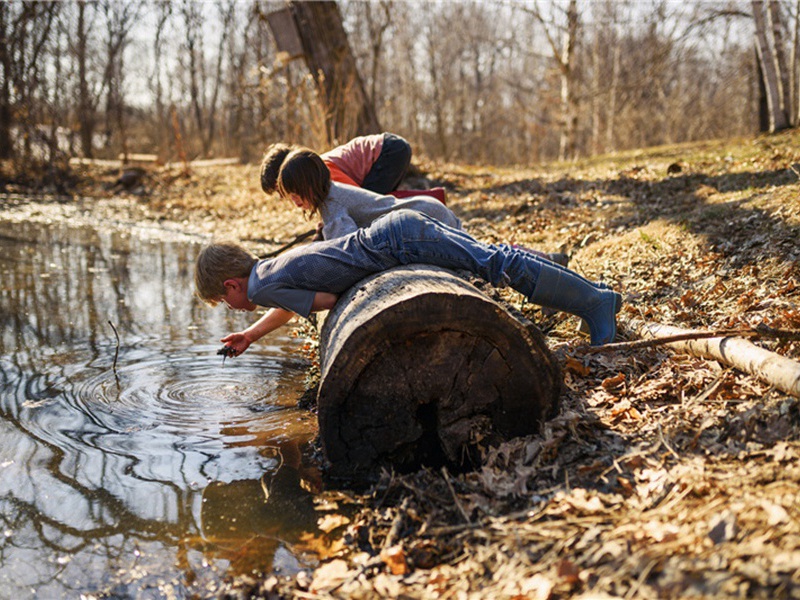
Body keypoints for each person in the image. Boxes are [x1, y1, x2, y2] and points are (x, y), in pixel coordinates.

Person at [194, 209, 622, 355]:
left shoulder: (261, 287)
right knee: (492, 258)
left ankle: (595, 303)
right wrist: (250, 335)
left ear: (232, 285)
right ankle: (594, 298)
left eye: (223, 300)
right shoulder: (269, 268)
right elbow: (291, 302)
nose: (231, 306)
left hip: (398, 243)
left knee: (496, 265)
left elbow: (322, 298)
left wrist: (333, 304)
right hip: (396, 231)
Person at [276, 146, 460, 241]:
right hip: (426, 210)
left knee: (471, 257)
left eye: (297, 193)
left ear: (311, 184)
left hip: (425, 218)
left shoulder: (331, 203)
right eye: (290, 196)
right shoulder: (333, 192)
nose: (295, 201)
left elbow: (347, 251)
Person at [260, 132, 414, 196]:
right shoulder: (315, 172)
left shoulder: (322, 170)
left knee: (372, 207)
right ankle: (435, 197)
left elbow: (357, 197)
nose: (282, 196)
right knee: (385, 200)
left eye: (279, 189)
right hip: (391, 149)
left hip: (388, 151)